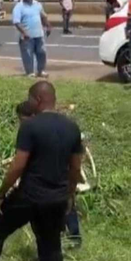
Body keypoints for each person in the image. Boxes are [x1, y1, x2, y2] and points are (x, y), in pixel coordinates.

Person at [0, 81, 82, 261]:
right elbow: (75, 169)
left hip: (29, 196)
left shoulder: (30, 126)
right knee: (52, 246)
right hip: (57, 199)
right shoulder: (72, 128)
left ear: (38, 99)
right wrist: (70, 196)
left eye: (30, 99)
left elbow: (17, 166)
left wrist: (1, 194)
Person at [15, 99, 82, 246]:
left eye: (22, 120)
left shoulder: (37, 130)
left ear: (32, 115)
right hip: (61, 180)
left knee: (61, 209)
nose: (21, 124)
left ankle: (66, 240)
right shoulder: (56, 127)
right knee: (66, 206)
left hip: (52, 182)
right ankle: (69, 238)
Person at [12, 0, 51, 78]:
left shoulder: (37, 5)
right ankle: (30, 72)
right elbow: (17, 22)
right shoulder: (19, 7)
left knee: (42, 53)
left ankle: (41, 71)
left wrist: (48, 26)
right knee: (28, 54)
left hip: (39, 34)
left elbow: (43, 16)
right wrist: (24, 33)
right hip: (27, 36)